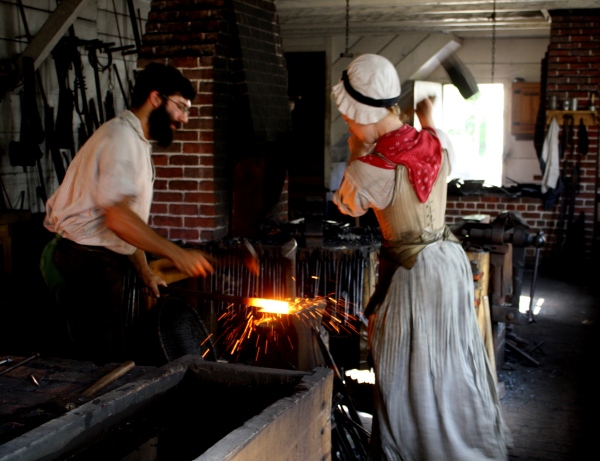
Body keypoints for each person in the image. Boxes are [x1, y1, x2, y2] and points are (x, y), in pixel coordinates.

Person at [332, 54, 511, 460]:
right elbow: (438, 137)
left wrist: (356, 147)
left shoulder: (370, 168)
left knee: (408, 376)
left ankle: (414, 451)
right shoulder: (434, 141)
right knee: (447, 367)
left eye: (348, 119)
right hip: (448, 263)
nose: (348, 125)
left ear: (363, 113)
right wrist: (428, 117)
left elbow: (348, 205)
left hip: (414, 275)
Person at [40, 63, 214, 366]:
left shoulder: (137, 142)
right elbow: (117, 219)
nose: (184, 119)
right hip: (81, 263)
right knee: (99, 366)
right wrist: (175, 253)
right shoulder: (119, 139)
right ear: (156, 99)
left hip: (102, 261)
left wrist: (144, 270)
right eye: (181, 107)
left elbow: (127, 226)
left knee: (117, 360)